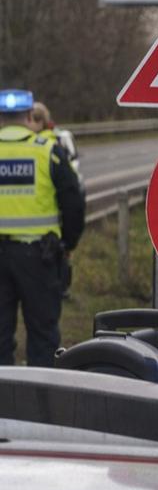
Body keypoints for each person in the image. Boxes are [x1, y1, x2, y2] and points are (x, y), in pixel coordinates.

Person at [0, 89, 85, 366]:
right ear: (28, 115)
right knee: (43, 335)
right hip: (39, 257)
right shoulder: (49, 152)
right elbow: (73, 201)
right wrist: (68, 243)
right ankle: (39, 403)